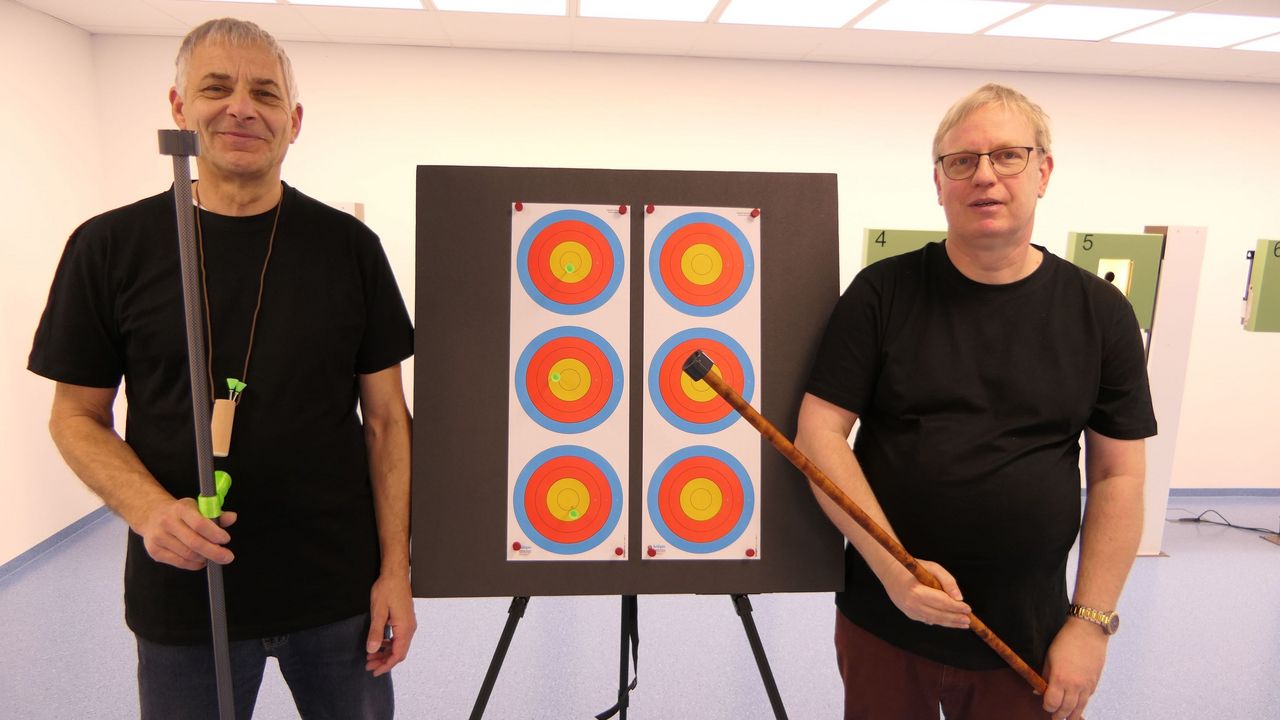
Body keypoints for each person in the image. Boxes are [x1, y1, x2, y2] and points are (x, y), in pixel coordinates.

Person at [29, 18, 415, 719]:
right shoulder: (109, 248)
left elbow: (387, 423)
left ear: (292, 121)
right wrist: (149, 511)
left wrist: (397, 571)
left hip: (336, 595)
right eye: (217, 87)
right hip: (185, 592)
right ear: (179, 108)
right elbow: (75, 416)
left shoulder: (350, 250)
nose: (242, 106)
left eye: (265, 93)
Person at [795, 83, 1156, 720]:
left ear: (1043, 171)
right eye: (961, 161)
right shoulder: (882, 293)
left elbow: (1118, 473)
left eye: (1007, 156)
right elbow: (819, 436)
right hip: (884, 619)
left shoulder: (1101, 313)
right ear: (939, 183)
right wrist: (895, 572)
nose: (984, 176)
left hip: (1029, 637)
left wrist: (1091, 625)